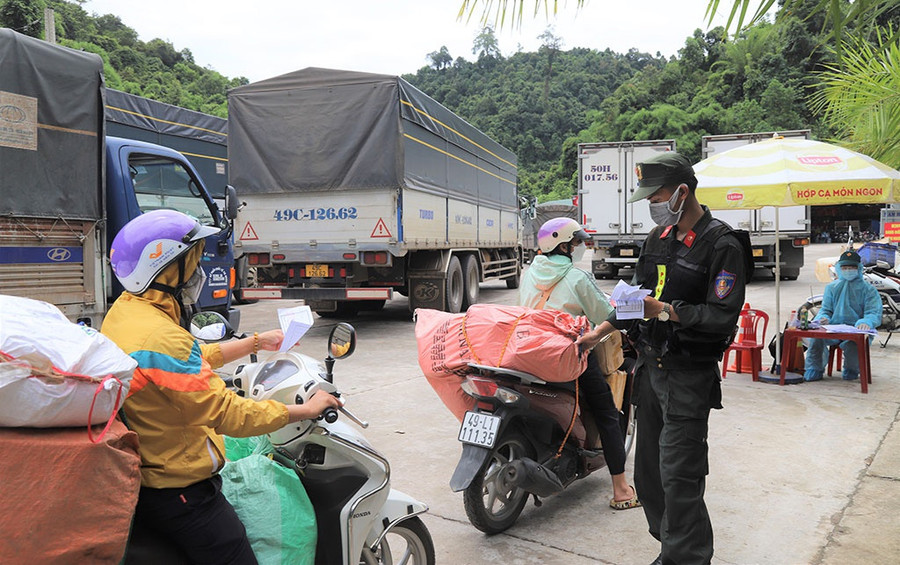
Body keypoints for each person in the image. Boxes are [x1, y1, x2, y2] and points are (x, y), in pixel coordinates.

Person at [101, 210, 340, 564]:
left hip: (150, 478)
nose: (198, 272)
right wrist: (305, 410)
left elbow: (187, 360)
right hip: (182, 492)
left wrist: (254, 343)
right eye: (191, 261)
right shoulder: (160, 336)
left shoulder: (128, 314)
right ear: (164, 269)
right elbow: (228, 413)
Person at [576, 152, 751, 565]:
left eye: (656, 194)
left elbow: (722, 316)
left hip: (688, 376)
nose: (651, 204)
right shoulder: (658, 239)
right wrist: (599, 332)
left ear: (682, 192)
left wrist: (670, 311)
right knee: (649, 476)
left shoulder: (722, 245)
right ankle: (671, 547)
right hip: (651, 372)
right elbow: (635, 296)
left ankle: (685, 557)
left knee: (680, 475)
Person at [519, 217, 641, 511]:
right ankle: (622, 490)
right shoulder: (577, 278)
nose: (581, 247)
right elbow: (606, 315)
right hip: (566, 358)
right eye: (577, 242)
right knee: (608, 414)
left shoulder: (529, 273)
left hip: (527, 355)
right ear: (564, 245)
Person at [803, 250, 880, 382]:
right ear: (839, 268)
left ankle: (852, 371)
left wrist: (867, 321)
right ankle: (814, 369)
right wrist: (822, 318)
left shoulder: (868, 290)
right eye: (844, 268)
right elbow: (826, 309)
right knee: (816, 339)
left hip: (857, 330)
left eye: (852, 267)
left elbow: (873, 312)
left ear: (859, 268)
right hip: (834, 329)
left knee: (853, 345)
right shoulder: (831, 287)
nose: (848, 270)